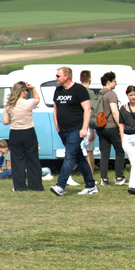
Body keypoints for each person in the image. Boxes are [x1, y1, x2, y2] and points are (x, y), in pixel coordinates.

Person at [50, 66, 97, 196]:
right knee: (79, 157)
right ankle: (91, 185)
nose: (56, 78)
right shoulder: (58, 90)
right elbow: (55, 108)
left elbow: (87, 109)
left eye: (58, 76)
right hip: (63, 130)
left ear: (67, 76)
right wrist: (56, 125)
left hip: (76, 130)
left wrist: (84, 128)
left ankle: (60, 186)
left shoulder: (79, 90)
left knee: (69, 156)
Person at [1, 80, 44, 192]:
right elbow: (38, 99)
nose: (27, 92)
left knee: (17, 160)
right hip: (28, 131)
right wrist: (33, 88)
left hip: (15, 133)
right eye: (26, 90)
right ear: (21, 91)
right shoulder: (28, 103)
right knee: (32, 159)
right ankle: (35, 186)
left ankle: (19, 186)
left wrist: (13, 119)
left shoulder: (9, 105)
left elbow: (5, 121)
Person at [96, 71, 125, 185]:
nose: (116, 83)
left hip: (100, 127)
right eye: (114, 81)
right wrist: (120, 125)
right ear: (109, 82)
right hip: (111, 126)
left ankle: (104, 179)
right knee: (119, 150)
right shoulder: (111, 94)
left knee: (104, 154)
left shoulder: (98, 94)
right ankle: (119, 177)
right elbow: (114, 111)